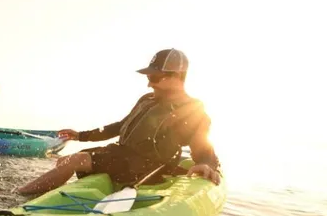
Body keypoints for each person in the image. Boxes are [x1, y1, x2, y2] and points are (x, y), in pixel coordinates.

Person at [15, 48, 221, 195]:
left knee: (75, 161)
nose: (149, 83)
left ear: (176, 76)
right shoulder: (147, 100)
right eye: (148, 77)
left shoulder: (192, 109)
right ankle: (49, 198)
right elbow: (120, 126)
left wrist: (206, 163)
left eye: (155, 78)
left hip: (148, 165)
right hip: (122, 155)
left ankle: (19, 196)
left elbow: (202, 143)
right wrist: (81, 136)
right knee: (66, 159)